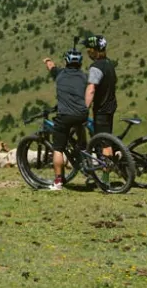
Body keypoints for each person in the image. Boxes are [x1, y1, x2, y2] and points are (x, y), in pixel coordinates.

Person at [42, 48, 88, 191]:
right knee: (80, 132)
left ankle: (58, 182)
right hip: (81, 115)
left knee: (58, 148)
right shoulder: (84, 76)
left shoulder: (60, 74)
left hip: (64, 116)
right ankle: (86, 162)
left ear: (67, 61)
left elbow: (51, 67)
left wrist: (47, 60)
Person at [83, 34, 117, 138]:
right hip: (111, 106)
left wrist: (84, 108)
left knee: (104, 142)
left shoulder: (96, 67)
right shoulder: (109, 64)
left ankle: (107, 154)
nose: (88, 53)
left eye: (89, 50)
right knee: (107, 136)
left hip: (101, 110)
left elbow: (91, 89)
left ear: (94, 51)